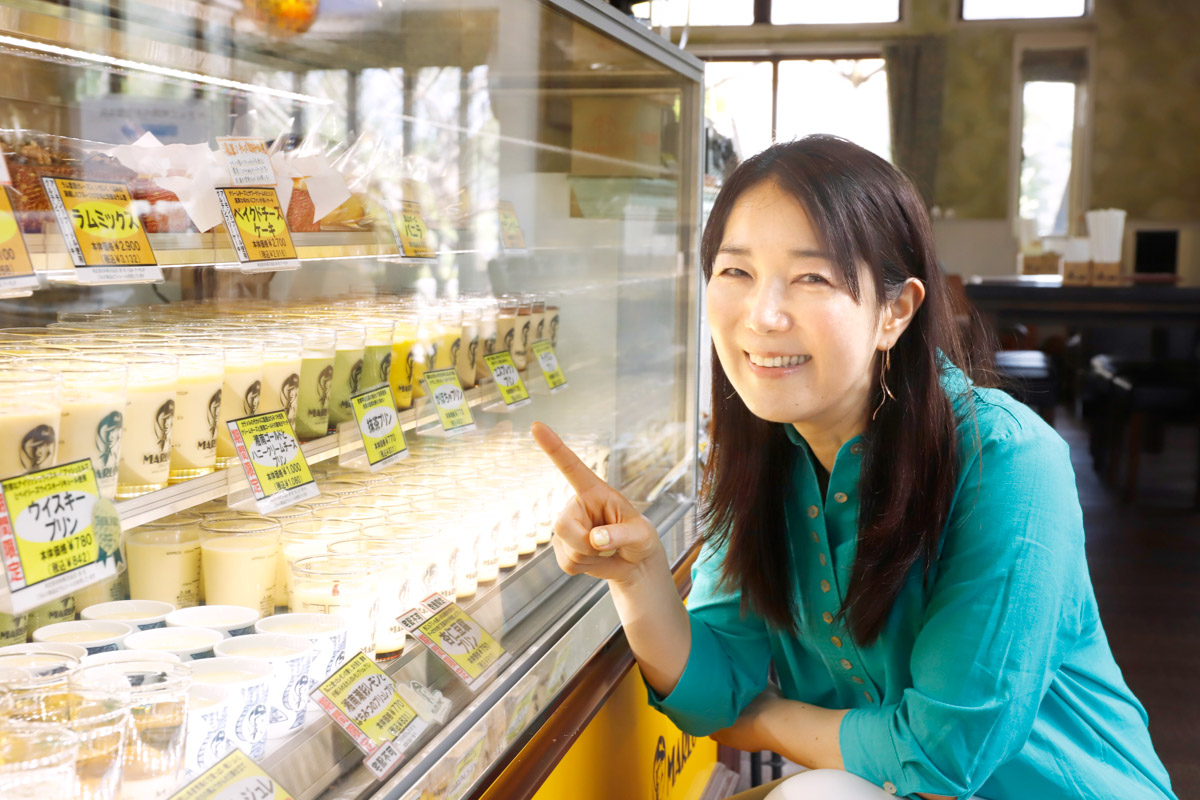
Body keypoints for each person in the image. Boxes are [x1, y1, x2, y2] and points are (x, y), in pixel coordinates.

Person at [532, 136, 1176, 800]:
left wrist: (763, 721)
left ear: (895, 311)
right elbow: (714, 694)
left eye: (812, 278)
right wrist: (638, 577)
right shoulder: (766, 457)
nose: (764, 315)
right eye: (736, 272)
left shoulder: (1009, 460)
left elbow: (939, 755)